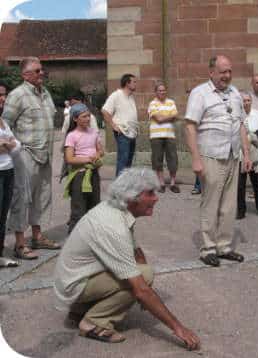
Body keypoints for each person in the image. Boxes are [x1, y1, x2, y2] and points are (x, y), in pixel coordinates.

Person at [54, 168, 200, 348]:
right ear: (132, 197)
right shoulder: (114, 226)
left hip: (74, 279)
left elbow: (136, 252)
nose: (156, 198)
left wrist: (146, 289)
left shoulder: (114, 209)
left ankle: (79, 310)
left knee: (142, 274)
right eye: (150, 193)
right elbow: (140, 289)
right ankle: (94, 322)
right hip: (73, 286)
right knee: (143, 277)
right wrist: (178, 328)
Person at [185, 55, 251, 267]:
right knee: (211, 202)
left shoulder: (235, 93)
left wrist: (247, 154)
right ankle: (208, 248)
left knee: (229, 205)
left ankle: (223, 246)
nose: (227, 76)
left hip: (233, 155)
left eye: (229, 71)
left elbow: (240, 124)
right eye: (223, 72)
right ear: (211, 72)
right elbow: (189, 126)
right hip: (210, 155)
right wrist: (195, 159)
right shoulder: (199, 93)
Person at [2, 57, 60, 260]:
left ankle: (37, 236)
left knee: (42, 197)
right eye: (37, 71)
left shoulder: (45, 94)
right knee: (22, 199)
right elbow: (5, 125)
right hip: (25, 154)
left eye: (42, 70)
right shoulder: (17, 95)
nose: (41, 73)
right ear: (25, 75)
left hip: (45, 154)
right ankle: (19, 243)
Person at [64, 103, 103, 233]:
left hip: (93, 173)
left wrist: (97, 156)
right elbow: (69, 159)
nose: (87, 119)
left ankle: (91, 235)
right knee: (78, 207)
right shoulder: (72, 136)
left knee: (94, 205)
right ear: (75, 119)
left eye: (88, 116)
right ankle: (74, 238)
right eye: (84, 116)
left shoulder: (93, 132)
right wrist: (87, 159)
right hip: (79, 175)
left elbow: (100, 150)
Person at [236, 92, 258, 220]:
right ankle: (241, 210)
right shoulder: (236, 115)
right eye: (244, 100)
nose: (246, 103)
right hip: (239, 152)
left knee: (257, 183)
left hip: (255, 152)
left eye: (248, 100)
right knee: (240, 184)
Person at [102, 74, 138, 176]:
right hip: (122, 133)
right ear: (127, 83)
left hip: (132, 133)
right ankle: (119, 187)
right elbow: (105, 111)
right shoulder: (116, 95)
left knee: (129, 161)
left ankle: (125, 185)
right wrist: (114, 126)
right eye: (134, 82)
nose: (136, 84)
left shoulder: (131, 97)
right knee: (123, 160)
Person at [0, 82, 20, 267]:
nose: (3, 99)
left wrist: (6, 144)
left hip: (8, 170)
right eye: (0, 95)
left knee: (3, 214)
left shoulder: (4, 121)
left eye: (4, 94)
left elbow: (17, 145)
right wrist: (7, 144)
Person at [148, 82, 180, 193]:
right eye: (160, 90)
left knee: (173, 159)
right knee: (157, 159)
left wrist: (163, 117)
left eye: (163, 90)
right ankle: (161, 183)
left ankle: (172, 183)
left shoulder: (171, 102)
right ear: (156, 92)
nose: (162, 92)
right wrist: (169, 116)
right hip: (156, 136)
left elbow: (176, 116)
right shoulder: (152, 104)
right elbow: (158, 119)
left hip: (170, 135)